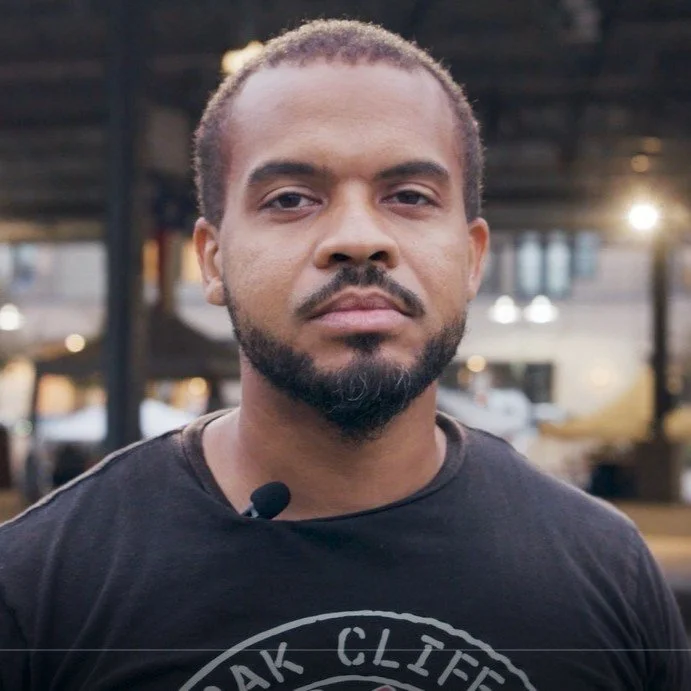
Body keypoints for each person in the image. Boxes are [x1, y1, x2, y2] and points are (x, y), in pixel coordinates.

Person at [0, 19, 688, 691]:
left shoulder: (605, 572)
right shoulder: (42, 586)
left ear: (472, 258)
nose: (358, 238)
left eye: (409, 196)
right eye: (291, 199)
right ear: (212, 260)